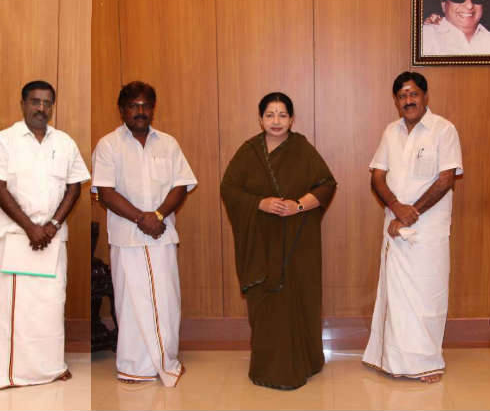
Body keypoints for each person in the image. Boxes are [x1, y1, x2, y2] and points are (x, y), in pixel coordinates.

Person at [221, 92, 336, 390]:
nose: (276, 121)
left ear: (292, 119)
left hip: (298, 242)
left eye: (282, 115)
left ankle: (305, 361)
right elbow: (229, 189)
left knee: (298, 298)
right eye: (269, 115)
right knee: (266, 302)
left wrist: (298, 205)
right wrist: (260, 203)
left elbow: (326, 185)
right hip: (260, 243)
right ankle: (268, 367)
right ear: (260, 119)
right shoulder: (249, 152)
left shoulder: (302, 149)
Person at [92, 81, 197, 387]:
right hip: (127, 239)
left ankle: (166, 360)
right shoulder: (108, 145)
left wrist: (158, 216)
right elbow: (105, 193)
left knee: (166, 300)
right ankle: (134, 367)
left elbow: (181, 185)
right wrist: (142, 218)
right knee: (131, 303)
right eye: (133, 106)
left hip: (162, 236)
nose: (140, 111)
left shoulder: (168, 144)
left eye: (146, 106)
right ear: (121, 110)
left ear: (153, 109)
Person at [362, 72, 462, 383]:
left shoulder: (444, 130)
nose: (409, 100)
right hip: (394, 226)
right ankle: (390, 359)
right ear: (396, 101)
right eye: (402, 95)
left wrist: (411, 212)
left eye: (414, 94)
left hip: (429, 231)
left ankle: (426, 363)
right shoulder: (390, 132)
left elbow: (446, 179)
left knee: (427, 295)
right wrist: (396, 207)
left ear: (425, 96)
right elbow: (377, 176)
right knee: (396, 296)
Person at [0, 80, 90, 388]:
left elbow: (74, 187)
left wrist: (52, 225)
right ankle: (12, 372)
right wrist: (30, 227)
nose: (41, 108)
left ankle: (51, 367)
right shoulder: (5, 140)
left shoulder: (64, 142)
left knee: (51, 306)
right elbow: (0, 189)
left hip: (52, 239)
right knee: (16, 310)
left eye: (47, 103)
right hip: (16, 238)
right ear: (22, 104)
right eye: (35, 101)